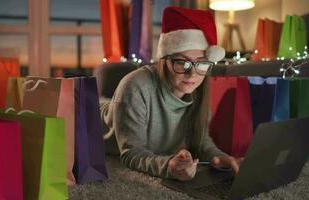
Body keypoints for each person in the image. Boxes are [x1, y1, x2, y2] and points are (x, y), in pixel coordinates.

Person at [101, 6, 243, 181]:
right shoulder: (135, 86)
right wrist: (169, 166)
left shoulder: (199, 89)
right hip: (89, 116)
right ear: (165, 60)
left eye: (202, 63)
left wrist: (219, 156)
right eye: (182, 62)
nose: (192, 74)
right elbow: (131, 153)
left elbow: (200, 138)